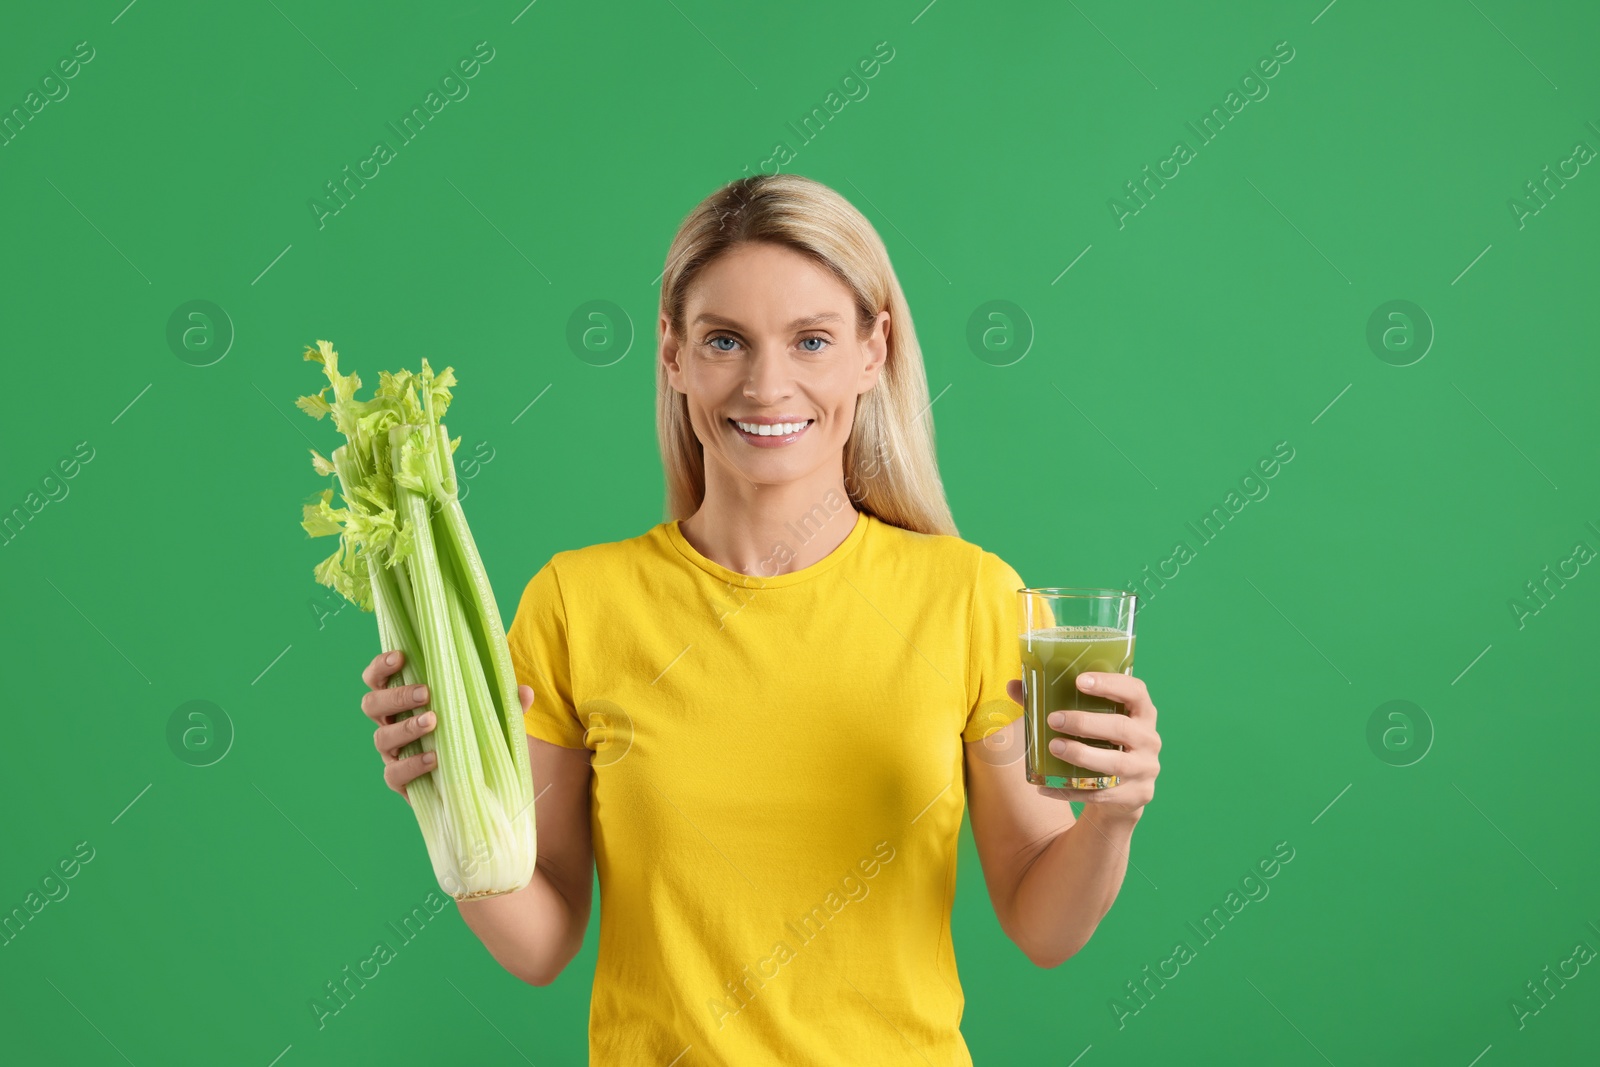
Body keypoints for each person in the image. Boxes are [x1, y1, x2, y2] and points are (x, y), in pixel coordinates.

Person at [357, 173, 1163, 1065]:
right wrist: (443, 799)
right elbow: (542, 944)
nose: (767, 384)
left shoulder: (969, 597)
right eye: (725, 341)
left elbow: (1041, 925)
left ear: (873, 351)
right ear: (672, 353)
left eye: (812, 340)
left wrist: (1111, 818)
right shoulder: (576, 605)